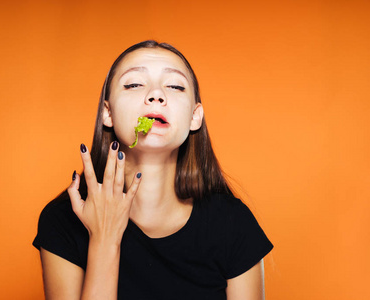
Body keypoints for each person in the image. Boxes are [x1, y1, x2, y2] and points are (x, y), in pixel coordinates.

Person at [33, 40, 273, 300]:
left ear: (195, 117)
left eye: (175, 86)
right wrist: (104, 240)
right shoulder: (63, 220)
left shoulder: (232, 224)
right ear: (107, 113)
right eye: (134, 84)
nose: (156, 95)